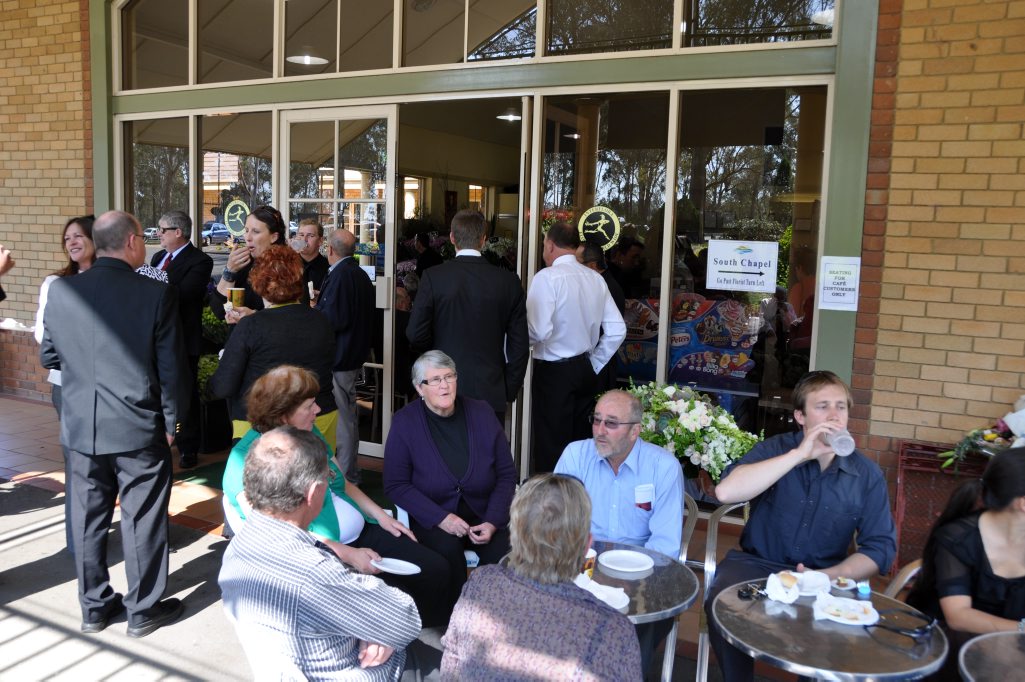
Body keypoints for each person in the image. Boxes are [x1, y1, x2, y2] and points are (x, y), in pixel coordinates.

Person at [40, 210, 188, 638]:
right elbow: (172, 369)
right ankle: (142, 609)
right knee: (142, 517)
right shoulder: (155, 293)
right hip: (138, 425)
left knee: (87, 517)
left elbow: (49, 356)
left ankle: (94, 608)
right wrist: (174, 423)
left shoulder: (62, 291)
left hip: (80, 425)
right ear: (131, 242)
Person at [222, 365, 451, 627]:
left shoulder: (308, 433)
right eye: (309, 406)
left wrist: (382, 517)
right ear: (283, 415)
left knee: (435, 569)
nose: (318, 410)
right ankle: (404, 640)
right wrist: (348, 554)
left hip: (363, 531)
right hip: (323, 554)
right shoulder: (246, 462)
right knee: (394, 597)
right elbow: (278, 536)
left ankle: (430, 634)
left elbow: (343, 483)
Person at [708, 370, 897, 681]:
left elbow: (880, 548)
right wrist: (798, 455)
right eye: (822, 406)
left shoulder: (866, 475)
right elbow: (726, 492)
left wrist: (827, 576)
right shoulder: (776, 449)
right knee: (721, 604)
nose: (834, 416)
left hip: (825, 574)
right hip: (758, 565)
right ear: (800, 416)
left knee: (834, 632)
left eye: (841, 407)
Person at [219, 426, 422, 681]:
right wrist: (379, 630)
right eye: (327, 479)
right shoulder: (313, 572)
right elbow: (405, 617)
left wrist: (370, 628)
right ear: (314, 493)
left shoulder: (237, 549)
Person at [441, 473, 642, 681]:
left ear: (512, 536)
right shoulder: (614, 632)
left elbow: (450, 671)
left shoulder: (481, 583)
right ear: (586, 546)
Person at [554, 388, 684, 677]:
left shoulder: (663, 467)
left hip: (642, 574)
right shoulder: (576, 455)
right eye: (596, 420)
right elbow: (559, 523)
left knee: (636, 628)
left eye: (611, 423)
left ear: (635, 431)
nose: (600, 430)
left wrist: (629, 579)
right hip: (581, 565)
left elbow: (665, 546)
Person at [383, 350, 516, 611]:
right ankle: (454, 621)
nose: (444, 385)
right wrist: (441, 518)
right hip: (434, 517)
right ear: (419, 388)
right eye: (435, 380)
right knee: (445, 556)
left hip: (484, 513)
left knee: (505, 555)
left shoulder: (482, 413)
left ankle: (495, 620)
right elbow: (396, 484)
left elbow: (506, 474)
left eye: (449, 377)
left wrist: (493, 521)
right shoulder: (405, 422)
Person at [906, 447, 1025, 681]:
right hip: (952, 648)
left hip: (1012, 651)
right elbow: (958, 616)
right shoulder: (957, 539)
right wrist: (1021, 629)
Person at [406, 209, 529, 423]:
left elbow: (416, 334)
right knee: (486, 445)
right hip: (490, 389)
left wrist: (436, 352)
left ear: (452, 238)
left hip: (442, 386)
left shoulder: (434, 277)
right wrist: (507, 389)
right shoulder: (508, 282)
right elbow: (519, 347)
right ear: (483, 239)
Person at [210, 245, 338, 447]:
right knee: (318, 468)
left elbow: (223, 386)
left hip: (262, 426)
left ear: (259, 283)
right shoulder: (320, 320)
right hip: (318, 417)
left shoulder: (251, 326)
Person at [527, 221, 626, 473]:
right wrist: (595, 362)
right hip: (585, 369)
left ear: (550, 245)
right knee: (582, 444)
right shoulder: (595, 278)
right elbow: (617, 330)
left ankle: (553, 498)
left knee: (552, 446)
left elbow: (539, 330)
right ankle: (580, 494)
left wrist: (516, 345)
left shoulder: (546, 277)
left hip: (554, 372)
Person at [33, 215, 97, 555]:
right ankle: (79, 540)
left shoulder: (115, 280)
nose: (72, 242)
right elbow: (42, 335)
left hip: (110, 385)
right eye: (67, 238)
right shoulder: (55, 283)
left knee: (104, 464)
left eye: (79, 236)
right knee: (77, 462)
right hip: (68, 384)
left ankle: (96, 528)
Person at [150, 210, 214, 468]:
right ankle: (159, 439)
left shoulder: (200, 260)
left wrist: (152, 284)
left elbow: (184, 294)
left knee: (184, 394)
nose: (158, 234)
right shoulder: (157, 257)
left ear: (178, 232)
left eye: (162, 230)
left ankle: (188, 447)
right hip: (155, 339)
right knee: (156, 392)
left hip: (183, 339)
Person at [316, 227, 375, 483]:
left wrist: (316, 313)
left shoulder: (341, 275)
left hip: (340, 357)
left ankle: (348, 476)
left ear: (330, 249)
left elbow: (335, 319)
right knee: (346, 415)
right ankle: (350, 472)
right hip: (352, 355)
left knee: (343, 418)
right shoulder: (358, 274)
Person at [210, 204, 287, 326]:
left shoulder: (288, 269)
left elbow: (290, 318)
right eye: (246, 231)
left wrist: (254, 316)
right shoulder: (244, 263)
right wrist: (230, 271)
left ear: (274, 237)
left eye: (256, 231)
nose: (248, 237)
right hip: (240, 336)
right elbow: (219, 310)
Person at [577, 240, 625, 392]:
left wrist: (594, 363)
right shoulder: (599, 283)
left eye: (577, 263)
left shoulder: (606, 287)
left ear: (592, 266)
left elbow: (614, 332)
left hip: (600, 365)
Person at [293, 218, 329, 304]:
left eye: (310, 236)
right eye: (301, 235)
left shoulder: (329, 268)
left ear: (320, 241)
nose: (304, 239)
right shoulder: (288, 266)